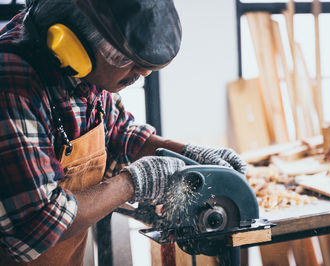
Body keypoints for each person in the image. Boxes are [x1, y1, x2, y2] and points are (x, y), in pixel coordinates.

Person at [0, 0, 247, 265]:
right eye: (125, 58)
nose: (143, 73)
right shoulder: (12, 84)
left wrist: (191, 156)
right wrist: (133, 183)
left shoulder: (86, 71)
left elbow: (121, 136)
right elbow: (35, 227)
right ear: (71, 42)